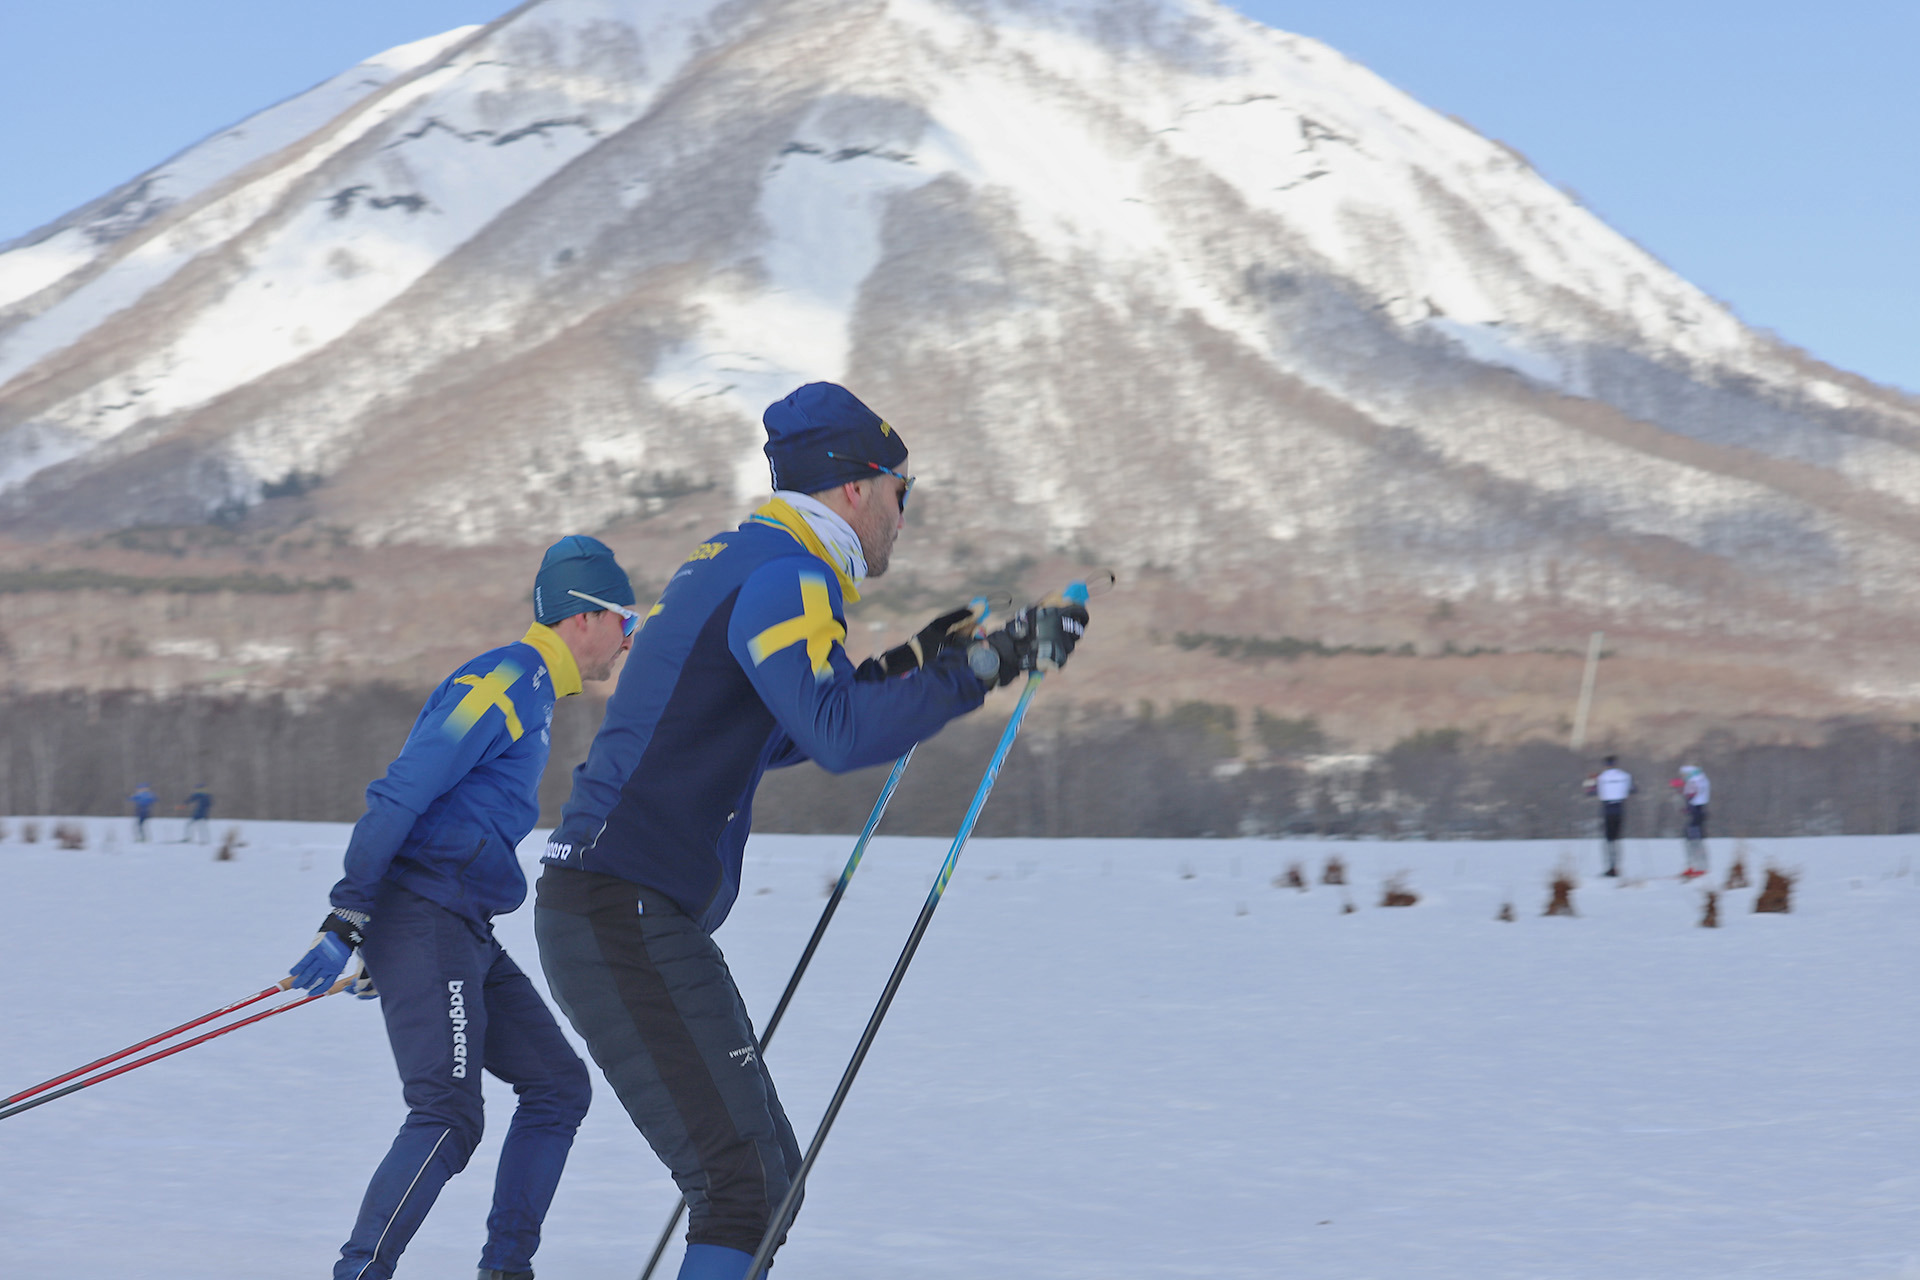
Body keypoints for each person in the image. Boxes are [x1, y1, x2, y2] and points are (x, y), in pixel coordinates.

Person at [532, 382, 1090, 1280]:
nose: (904, 514)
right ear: (857, 486)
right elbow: (837, 735)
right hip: (621, 910)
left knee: (758, 1185)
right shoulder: (789, 574)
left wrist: (916, 664)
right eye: (903, 491)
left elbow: (781, 728)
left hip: (615, 907)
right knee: (745, 1189)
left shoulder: (741, 561)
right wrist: (985, 666)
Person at [287, 535, 639, 1280]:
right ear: (583, 617)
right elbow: (402, 790)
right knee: (447, 1114)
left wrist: (394, 945)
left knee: (557, 1086)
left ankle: (506, 1269)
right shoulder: (506, 681)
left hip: (456, 924)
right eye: (624, 619)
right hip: (424, 912)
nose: (628, 637)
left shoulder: (535, 693)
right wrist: (353, 914)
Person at [1590, 755, 1634, 876]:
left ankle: (1611, 867)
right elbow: (1632, 789)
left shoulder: (1601, 777)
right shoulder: (1625, 776)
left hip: (1607, 810)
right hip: (1620, 809)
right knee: (1617, 839)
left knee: (1609, 840)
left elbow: (1592, 791)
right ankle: (1616, 866)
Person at [1675, 764, 1711, 877]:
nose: (1682, 777)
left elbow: (1692, 795)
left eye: (1683, 774)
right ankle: (1693, 866)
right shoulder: (1700, 780)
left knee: (1695, 841)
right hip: (1697, 814)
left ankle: (1701, 867)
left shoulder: (1694, 781)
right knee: (1691, 840)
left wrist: (1681, 788)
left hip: (1696, 816)